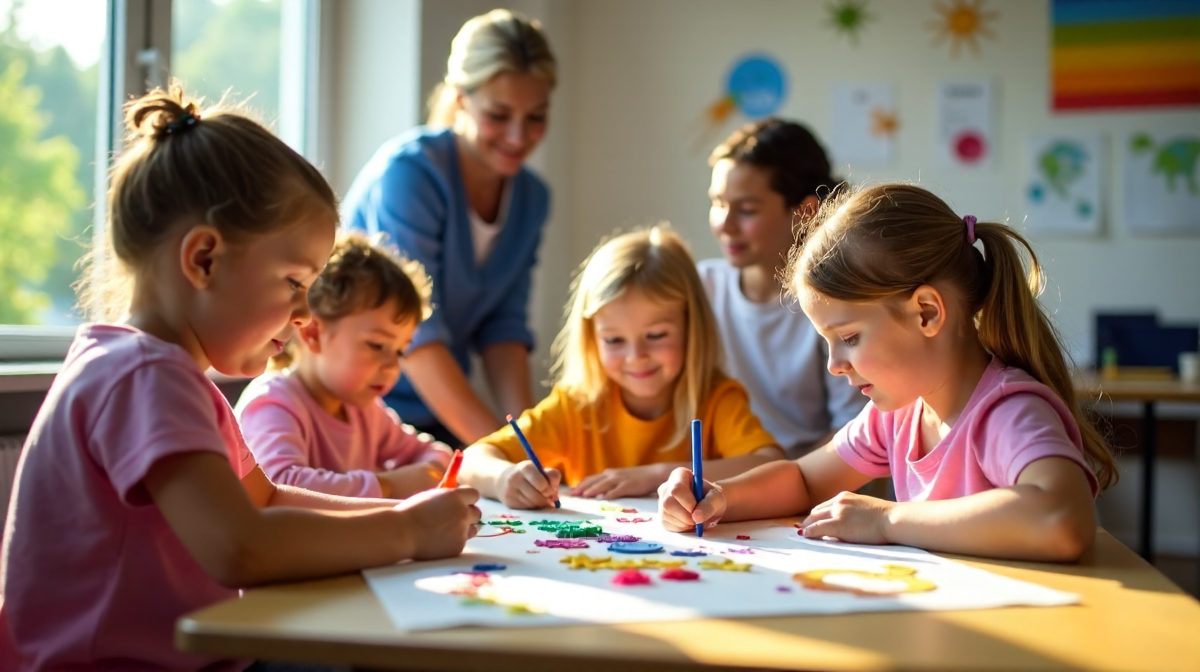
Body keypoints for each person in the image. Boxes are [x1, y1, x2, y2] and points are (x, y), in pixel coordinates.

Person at [0, 86, 480, 672]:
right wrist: (406, 532)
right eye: (294, 283)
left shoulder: (160, 374)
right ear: (204, 258)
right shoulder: (143, 377)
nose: (304, 314)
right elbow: (240, 547)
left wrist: (412, 512)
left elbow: (267, 498)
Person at [659, 183, 1117, 562]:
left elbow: (1062, 520)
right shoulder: (898, 414)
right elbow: (804, 480)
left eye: (849, 337)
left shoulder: (1007, 412)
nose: (834, 364)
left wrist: (886, 520)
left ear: (926, 313)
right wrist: (719, 497)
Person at [342, 9, 556, 447]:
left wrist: (530, 442)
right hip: (353, 409)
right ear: (460, 99)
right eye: (499, 115)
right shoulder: (410, 174)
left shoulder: (532, 198)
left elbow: (504, 330)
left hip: (432, 415)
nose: (518, 136)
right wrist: (501, 453)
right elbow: (417, 332)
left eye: (536, 116)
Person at [461, 227, 785, 508]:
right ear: (592, 339)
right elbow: (473, 460)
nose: (636, 356)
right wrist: (504, 478)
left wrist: (659, 475)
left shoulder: (716, 400)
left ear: (692, 327)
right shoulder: (576, 406)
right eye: (614, 340)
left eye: (656, 335)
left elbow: (772, 465)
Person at [236, 232, 455, 499]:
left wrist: (430, 469)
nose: (392, 366)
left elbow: (432, 453)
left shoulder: (366, 411)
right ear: (313, 333)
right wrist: (389, 485)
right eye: (377, 345)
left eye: (400, 351)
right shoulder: (273, 403)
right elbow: (279, 488)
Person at [701, 118, 865, 458]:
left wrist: (778, 478)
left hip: (810, 477)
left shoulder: (835, 306)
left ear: (805, 211)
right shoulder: (702, 288)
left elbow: (854, 430)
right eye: (718, 203)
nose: (725, 224)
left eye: (747, 210)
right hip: (725, 476)